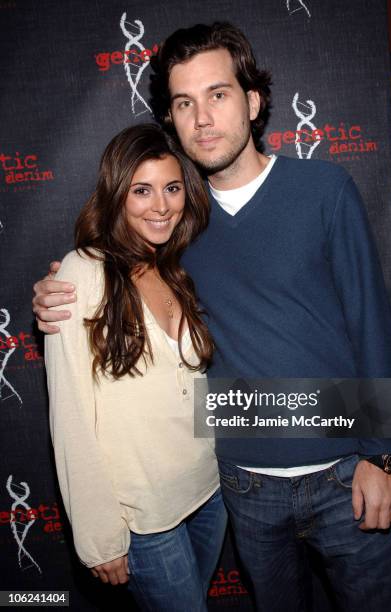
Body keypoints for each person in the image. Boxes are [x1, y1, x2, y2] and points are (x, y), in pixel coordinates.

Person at [35, 22, 391, 612]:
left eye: (218, 94)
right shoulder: (178, 224)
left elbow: (375, 324)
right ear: (172, 120)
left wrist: (384, 456)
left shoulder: (326, 188)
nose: (202, 117)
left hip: (345, 474)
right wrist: (59, 287)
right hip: (242, 484)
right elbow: (109, 266)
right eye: (185, 102)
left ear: (253, 103)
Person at [44, 123, 227, 612]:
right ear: (116, 194)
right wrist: (99, 535)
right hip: (144, 517)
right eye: (141, 191)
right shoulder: (82, 273)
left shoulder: (174, 265)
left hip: (209, 494)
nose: (161, 207)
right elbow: (70, 418)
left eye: (171, 189)